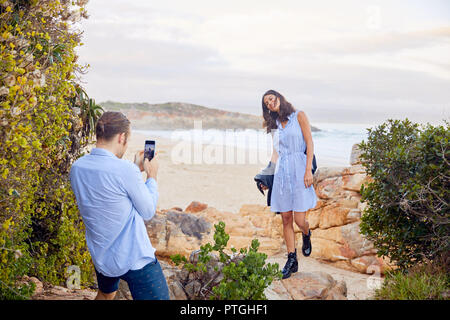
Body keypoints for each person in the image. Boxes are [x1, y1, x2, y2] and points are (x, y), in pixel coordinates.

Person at [69, 111, 170, 300]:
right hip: (134, 258)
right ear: (122, 137)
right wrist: (151, 177)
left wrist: (134, 169)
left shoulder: (78, 167)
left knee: (106, 294)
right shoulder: (125, 171)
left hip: (102, 256)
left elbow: (110, 193)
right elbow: (147, 211)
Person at [261, 90, 317, 279]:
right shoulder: (274, 126)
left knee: (299, 220)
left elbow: (309, 142)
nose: (270, 103)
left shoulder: (298, 115)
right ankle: (291, 259)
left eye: (271, 99)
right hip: (282, 173)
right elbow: (275, 154)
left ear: (279, 97)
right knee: (285, 218)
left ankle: (306, 233)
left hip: (300, 170)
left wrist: (308, 170)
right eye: (266, 103)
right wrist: (267, 177)